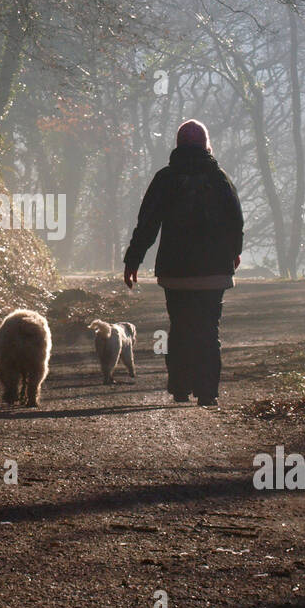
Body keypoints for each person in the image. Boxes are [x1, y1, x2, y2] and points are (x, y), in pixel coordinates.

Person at [122, 119, 244, 406]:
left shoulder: (166, 179)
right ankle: (207, 392)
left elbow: (148, 223)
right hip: (214, 270)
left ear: (177, 145)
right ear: (206, 145)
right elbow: (235, 221)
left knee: (180, 326)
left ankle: (180, 387)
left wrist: (133, 259)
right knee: (207, 328)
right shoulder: (220, 179)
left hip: (176, 271)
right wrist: (234, 252)